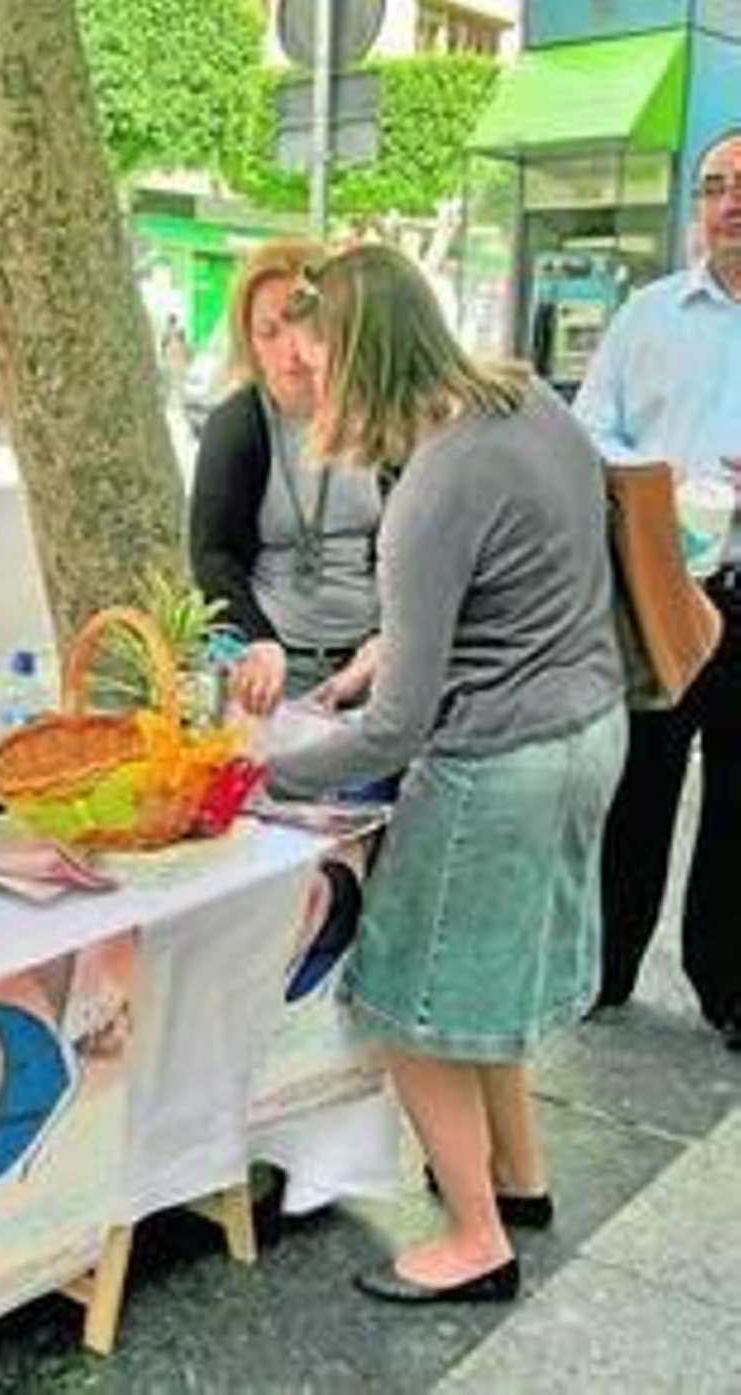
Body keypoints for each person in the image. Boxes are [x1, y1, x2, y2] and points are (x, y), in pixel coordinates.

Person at [269, 245, 626, 1304]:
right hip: (590, 730)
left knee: (408, 1002)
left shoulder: (427, 490)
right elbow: (534, 567)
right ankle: (518, 1178)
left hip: (498, 767)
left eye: (315, 357)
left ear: (360, 357)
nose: (304, 378)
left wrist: (267, 776)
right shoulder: (528, 402)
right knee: (484, 980)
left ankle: (474, 1240)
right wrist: (394, 644)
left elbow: (393, 733)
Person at [572, 129, 741, 1052]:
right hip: (659, 582)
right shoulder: (648, 316)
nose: (728, 203)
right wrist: (655, 479)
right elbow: (589, 427)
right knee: (637, 779)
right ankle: (605, 964)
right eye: (714, 186)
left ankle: (728, 984)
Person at [189, 239, 383, 716]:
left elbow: (418, 552)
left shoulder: (380, 417)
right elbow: (213, 555)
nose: (290, 353)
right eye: (268, 333)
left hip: (372, 665)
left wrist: (389, 638)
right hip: (271, 667)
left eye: (303, 326)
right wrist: (256, 641)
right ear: (248, 343)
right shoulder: (237, 424)